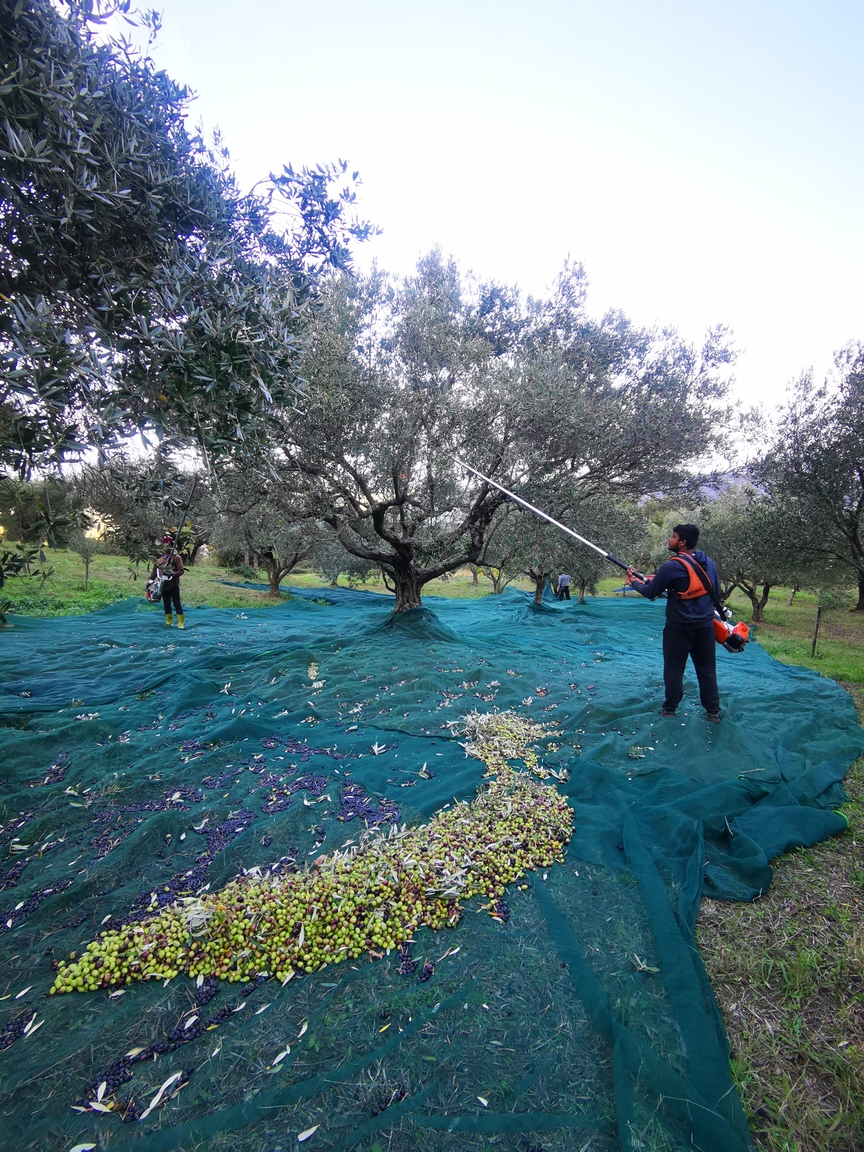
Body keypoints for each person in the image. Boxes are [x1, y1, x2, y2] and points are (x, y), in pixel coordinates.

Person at [626, 524, 721, 723]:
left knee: (674, 669)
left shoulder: (672, 566)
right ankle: (713, 712)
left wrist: (633, 582)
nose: (670, 540)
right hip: (705, 627)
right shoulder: (709, 563)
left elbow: (651, 592)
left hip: (678, 629)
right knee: (707, 669)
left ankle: (669, 709)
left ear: (682, 542)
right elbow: (717, 594)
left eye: (673, 536)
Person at [152, 535, 185, 628]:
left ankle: (180, 623)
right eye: (164, 545)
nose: (166, 547)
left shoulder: (176, 558)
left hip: (173, 585)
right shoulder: (160, 559)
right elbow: (155, 571)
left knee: (176, 603)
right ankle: (169, 622)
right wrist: (150, 580)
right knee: (166, 604)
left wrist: (173, 573)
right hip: (163, 586)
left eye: (168, 545)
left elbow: (181, 570)